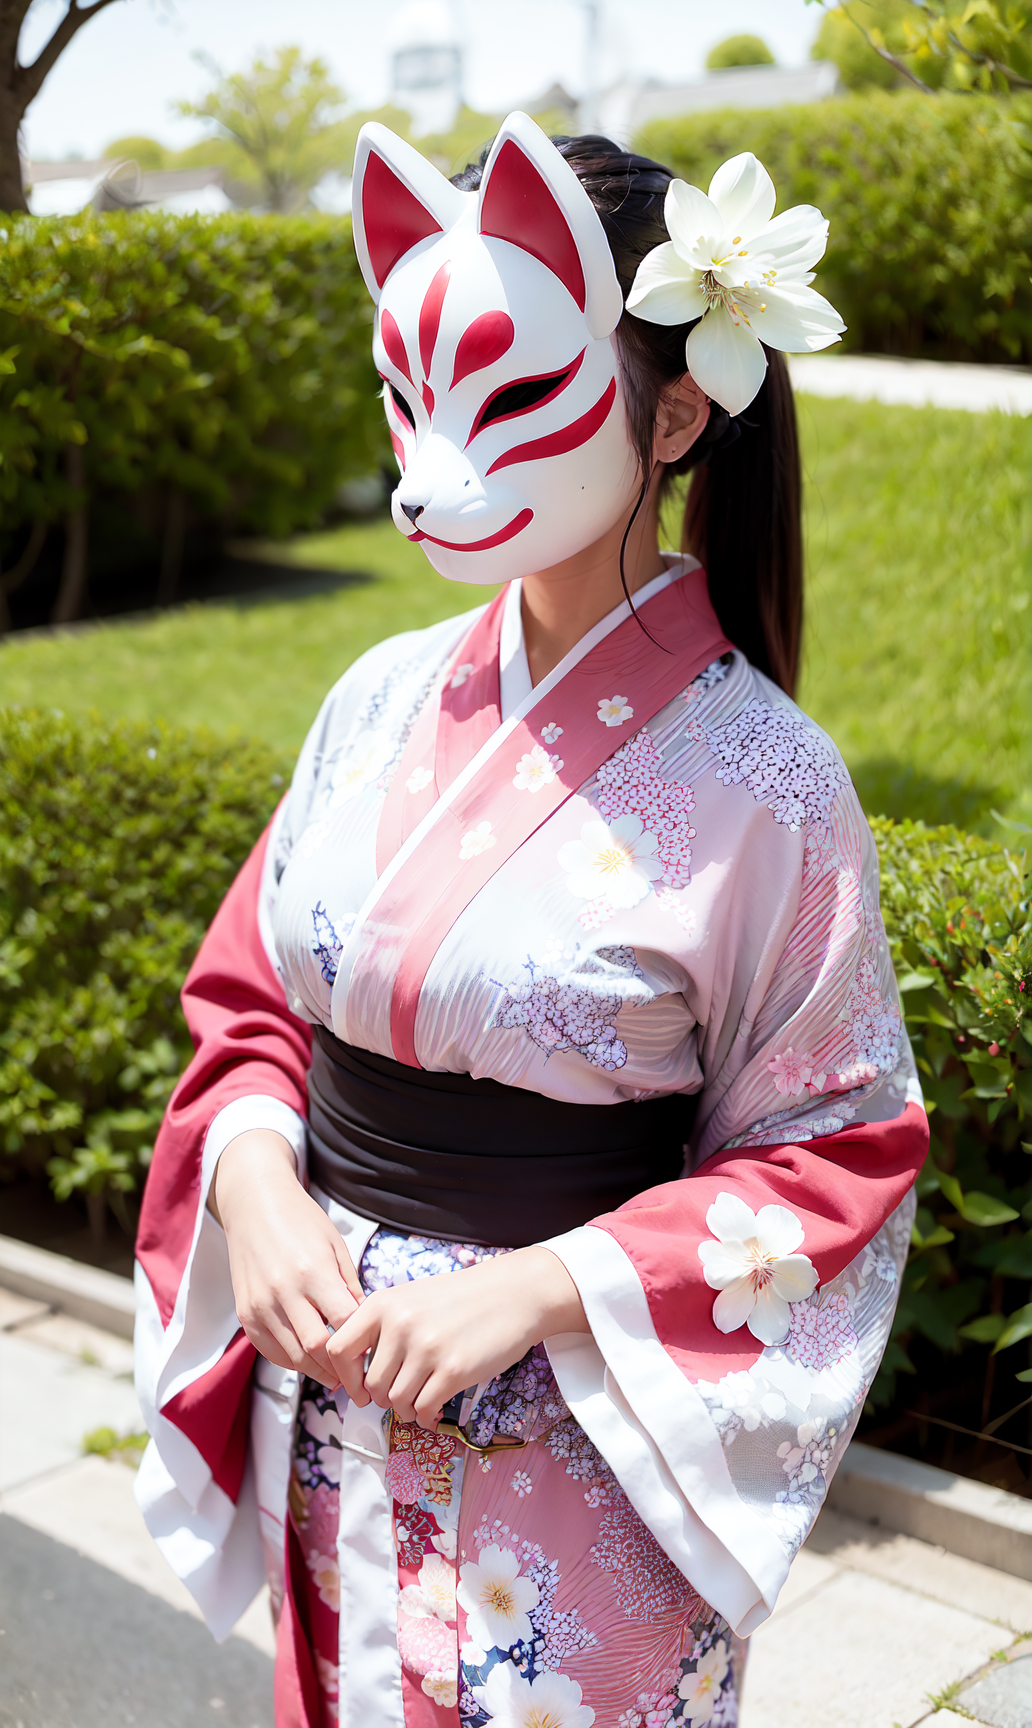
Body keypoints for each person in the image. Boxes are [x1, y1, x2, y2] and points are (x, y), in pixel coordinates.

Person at [133, 114, 928, 1728]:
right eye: (411, 401)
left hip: (573, 1444)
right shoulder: (376, 697)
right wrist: (254, 1175)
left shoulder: (770, 780)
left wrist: (549, 1284)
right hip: (334, 1388)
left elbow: (836, 1150)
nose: (438, 465)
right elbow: (256, 998)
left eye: (510, 400)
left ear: (678, 415)